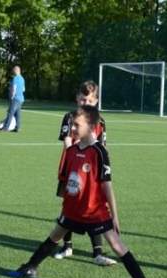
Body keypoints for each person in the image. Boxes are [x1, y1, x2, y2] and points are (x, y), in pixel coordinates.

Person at [6, 105, 155, 278]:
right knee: (54, 236)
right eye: (72, 124)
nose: (73, 128)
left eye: (77, 125)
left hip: (95, 212)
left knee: (117, 246)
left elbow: (107, 185)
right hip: (72, 211)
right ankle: (30, 267)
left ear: (92, 126)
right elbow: (69, 182)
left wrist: (115, 216)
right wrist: (65, 206)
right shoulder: (72, 150)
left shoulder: (99, 152)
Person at [53, 81, 116, 266]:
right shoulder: (69, 117)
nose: (85, 103)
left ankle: (97, 253)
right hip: (71, 169)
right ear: (77, 99)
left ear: (95, 101)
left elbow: (103, 147)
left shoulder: (100, 122)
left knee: (94, 207)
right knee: (70, 205)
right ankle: (67, 246)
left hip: (92, 174)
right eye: (82, 99)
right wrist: (77, 161)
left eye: (89, 100)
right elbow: (67, 141)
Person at [0, 65, 25, 132]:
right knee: (17, 114)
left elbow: (14, 89)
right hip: (21, 99)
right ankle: (17, 128)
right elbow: (23, 89)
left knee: (10, 113)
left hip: (15, 98)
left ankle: (5, 128)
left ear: (15, 70)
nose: (13, 72)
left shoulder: (15, 78)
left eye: (13, 70)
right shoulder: (22, 79)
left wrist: (12, 97)